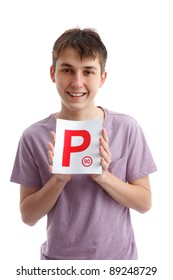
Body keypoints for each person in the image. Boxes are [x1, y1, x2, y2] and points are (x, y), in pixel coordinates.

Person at [10, 27, 157, 260]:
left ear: (102, 78)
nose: (77, 82)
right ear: (53, 73)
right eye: (67, 70)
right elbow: (28, 216)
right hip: (59, 264)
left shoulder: (126, 128)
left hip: (118, 264)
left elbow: (144, 203)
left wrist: (103, 177)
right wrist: (58, 179)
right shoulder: (33, 136)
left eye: (88, 71)